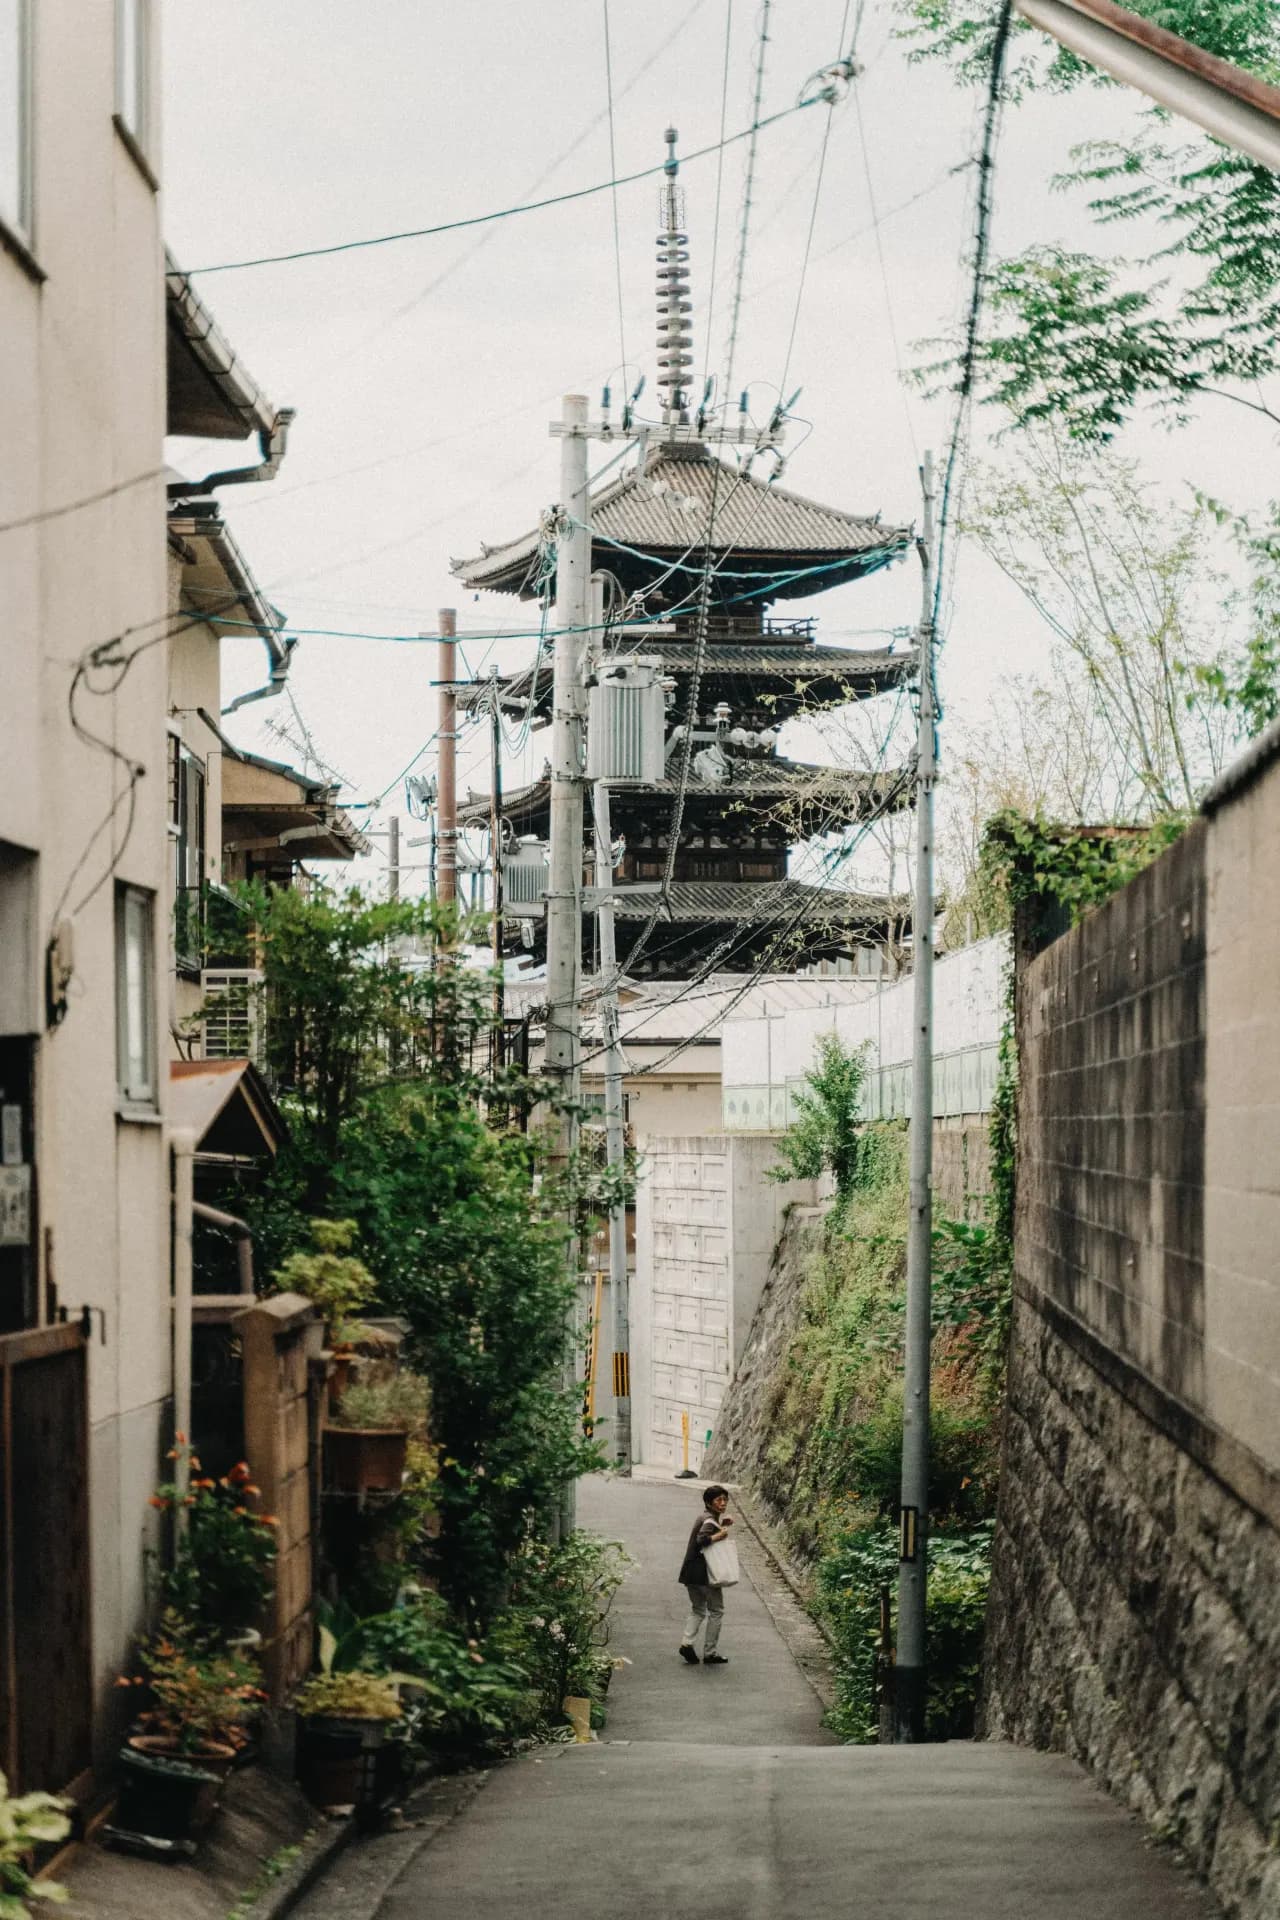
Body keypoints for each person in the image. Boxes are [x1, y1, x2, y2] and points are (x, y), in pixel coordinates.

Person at [677, 1484, 733, 1666]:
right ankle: (710, 1652)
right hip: (705, 1574)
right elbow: (702, 1540)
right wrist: (720, 1535)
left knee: (698, 1609)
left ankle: (687, 1643)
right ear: (709, 1503)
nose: (723, 1503)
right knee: (716, 1611)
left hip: (690, 1573)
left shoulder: (706, 1518)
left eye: (725, 1499)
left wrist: (722, 1526)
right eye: (719, 1500)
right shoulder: (709, 1520)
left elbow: (706, 1534)